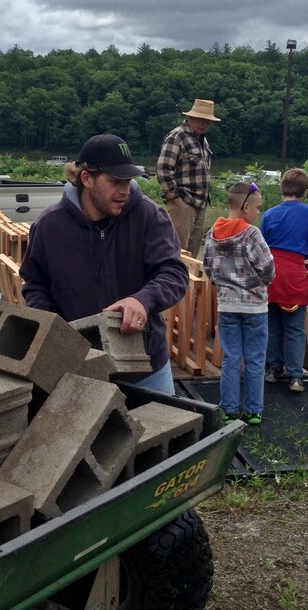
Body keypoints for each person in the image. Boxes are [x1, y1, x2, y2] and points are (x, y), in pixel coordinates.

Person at [20, 133, 189, 395]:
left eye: (128, 180)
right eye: (114, 181)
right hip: (79, 366)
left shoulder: (148, 215)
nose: (124, 190)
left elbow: (173, 273)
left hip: (146, 366)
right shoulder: (50, 225)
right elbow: (35, 284)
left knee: (160, 430)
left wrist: (142, 300)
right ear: (86, 178)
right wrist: (56, 330)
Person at [203, 182, 275, 425]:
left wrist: (223, 287)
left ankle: (229, 409)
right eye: (257, 207)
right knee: (255, 358)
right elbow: (267, 268)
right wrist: (259, 283)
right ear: (245, 207)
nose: (258, 212)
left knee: (231, 358)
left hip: (227, 306)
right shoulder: (251, 234)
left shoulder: (212, 234)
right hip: (255, 307)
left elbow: (208, 269)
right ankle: (254, 411)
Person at [260, 168, 308, 392]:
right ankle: (296, 376)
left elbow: (260, 247)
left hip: (271, 274)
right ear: (305, 191)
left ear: (282, 188)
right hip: (295, 273)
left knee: (272, 324)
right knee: (295, 327)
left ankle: (272, 369)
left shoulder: (269, 213)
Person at [157, 98, 220, 256]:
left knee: (193, 254)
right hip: (183, 202)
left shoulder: (202, 141)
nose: (204, 124)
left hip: (201, 203)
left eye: (207, 121)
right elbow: (163, 168)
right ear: (191, 117)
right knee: (177, 252)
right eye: (200, 120)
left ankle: (187, 281)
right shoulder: (177, 136)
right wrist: (175, 199)